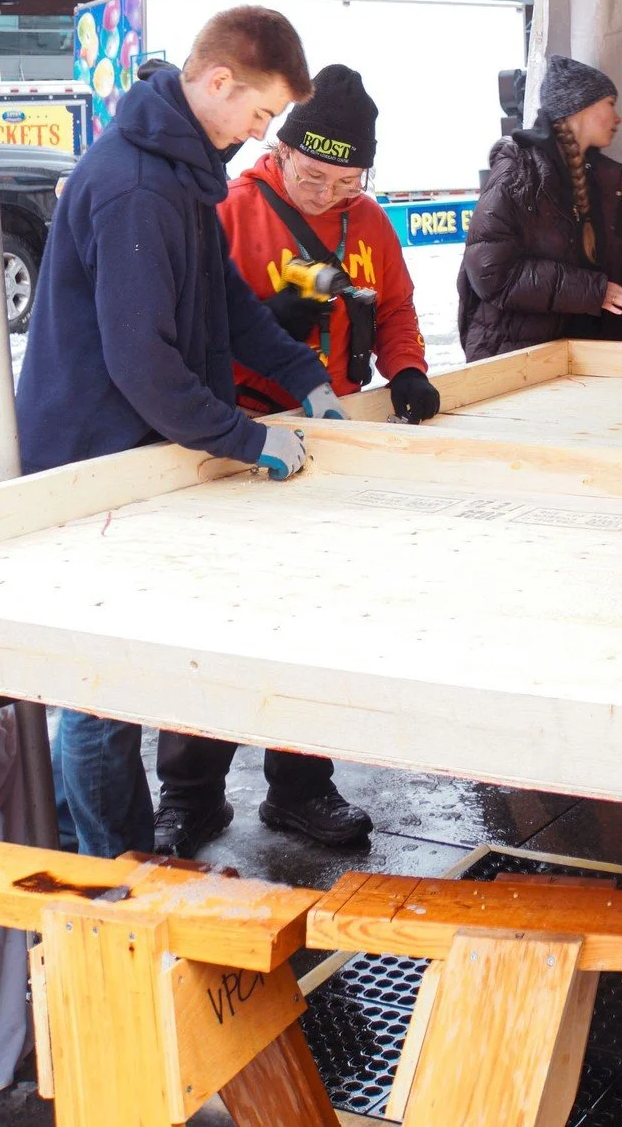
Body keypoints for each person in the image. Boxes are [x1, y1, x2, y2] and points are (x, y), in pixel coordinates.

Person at [16, 8, 345, 859]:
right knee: (100, 697)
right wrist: (243, 437)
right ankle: (122, 875)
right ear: (217, 82)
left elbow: (227, 303)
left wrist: (305, 376)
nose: (259, 132)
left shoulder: (183, 175)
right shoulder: (136, 187)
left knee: (117, 680)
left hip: (140, 462)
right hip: (94, 467)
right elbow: (142, 366)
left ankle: (94, 845)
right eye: (261, 115)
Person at [153, 64, 437, 857]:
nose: (326, 193)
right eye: (313, 174)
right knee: (216, 622)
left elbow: (398, 310)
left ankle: (302, 788)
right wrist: (271, 326)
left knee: (318, 624)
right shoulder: (230, 211)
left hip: (328, 443)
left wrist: (407, 368)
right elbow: (200, 321)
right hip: (233, 442)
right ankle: (190, 795)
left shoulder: (369, 223)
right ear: (280, 152)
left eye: (346, 180)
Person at [458, 55, 622, 361]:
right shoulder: (519, 172)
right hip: (517, 362)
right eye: (610, 103)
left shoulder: (598, 182)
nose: (617, 118)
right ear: (581, 107)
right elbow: (490, 272)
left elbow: (611, 287)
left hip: (578, 363)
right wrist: (594, 290)